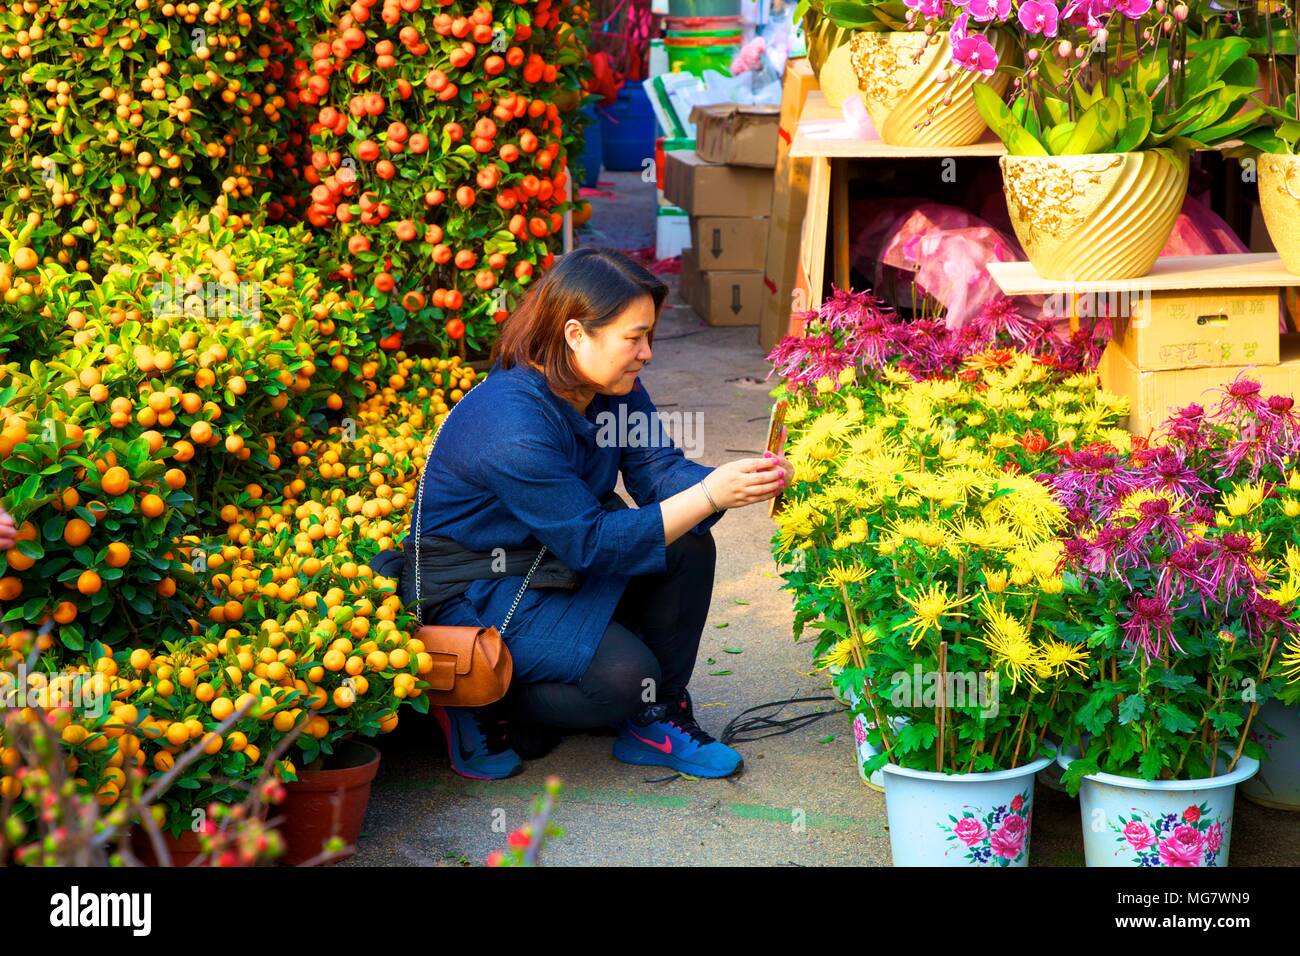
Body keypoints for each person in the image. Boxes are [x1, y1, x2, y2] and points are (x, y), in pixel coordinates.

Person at [408, 248, 791, 780]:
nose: (647, 353)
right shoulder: (512, 423)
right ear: (575, 335)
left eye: (650, 335)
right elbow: (591, 542)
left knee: (686, 540)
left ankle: (654, 718)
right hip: (483, 585)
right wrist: (710, 496)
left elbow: (657, 470)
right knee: (626, 678)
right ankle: (480, 697)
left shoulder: (610, 386)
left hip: (553, 560)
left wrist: (735, 481)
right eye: (634, 338)